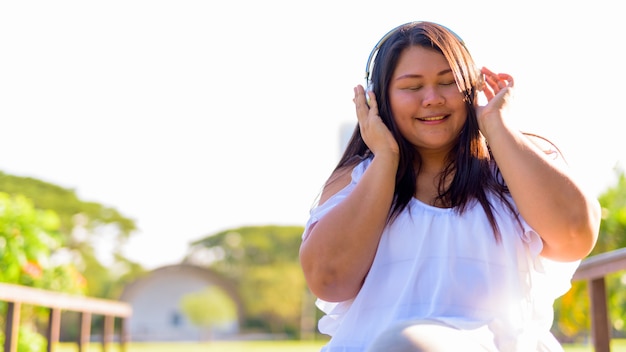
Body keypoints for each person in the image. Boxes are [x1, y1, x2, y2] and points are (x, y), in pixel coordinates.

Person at [299, 21, 601, 352]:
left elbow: (575, 236)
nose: (432, 99)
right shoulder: (356, 178)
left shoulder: (516, 166)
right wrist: (385, 158)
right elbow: (328, 280)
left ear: (472, 88)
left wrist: (497, 127)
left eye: (448, 83)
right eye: (412, 88)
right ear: (379, 99)